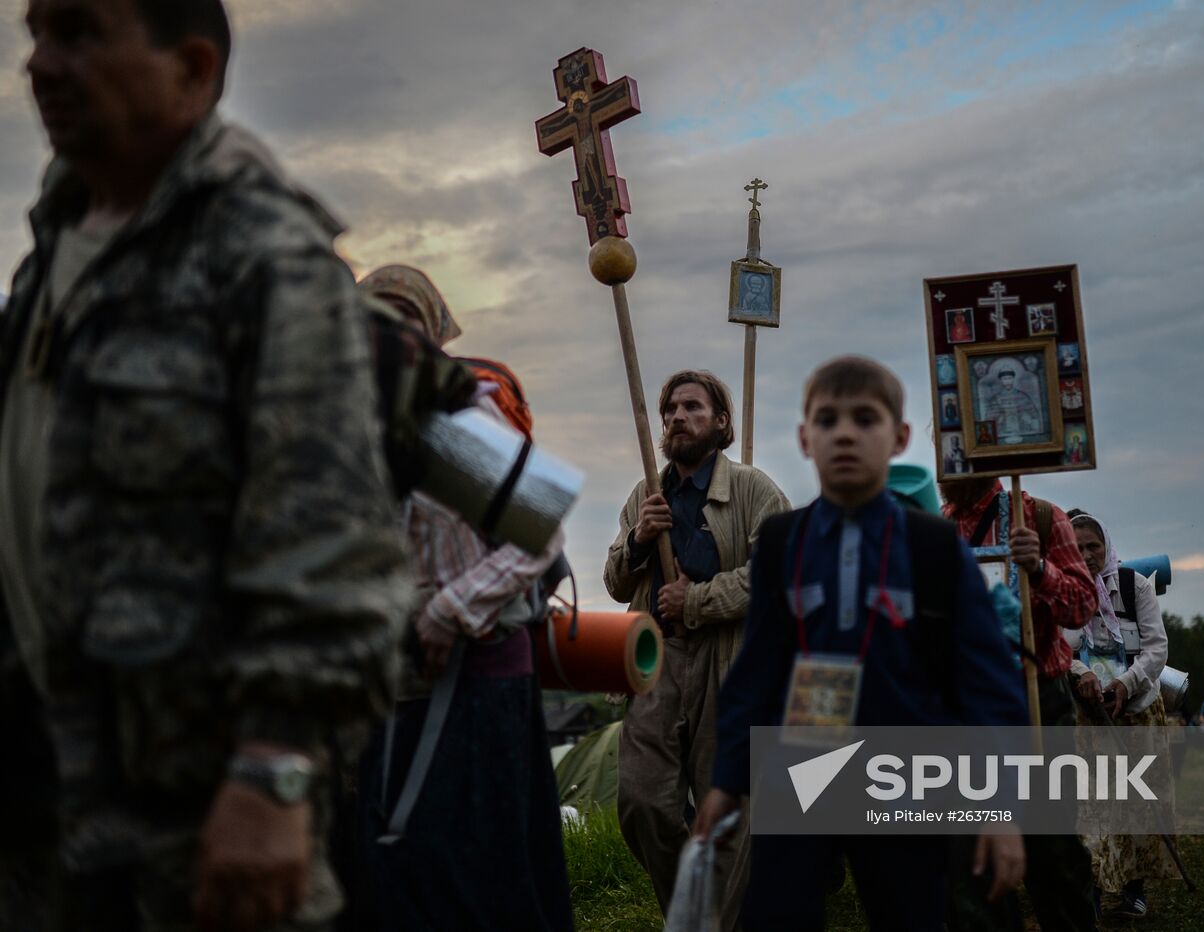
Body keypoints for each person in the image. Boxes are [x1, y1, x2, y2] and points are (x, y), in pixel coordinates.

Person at [0, 2, 411, 929]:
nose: (39, 64)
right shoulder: (53, 253)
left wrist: (274, 769)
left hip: (203, 818)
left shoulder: (262, 252)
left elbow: (335, 545)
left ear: (191, 71)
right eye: (33, 34)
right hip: (49, 795)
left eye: (77, 33)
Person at [694, 356, 1028, 930]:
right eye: (826, 420)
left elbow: (988, 680)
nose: (844, 433)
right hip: (803, 762)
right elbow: (758, 668)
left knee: (909, 913)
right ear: (804, 438)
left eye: (865, 419)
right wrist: (727, 780)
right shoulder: (781, 541)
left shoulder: (933, 546)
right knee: (776, 913)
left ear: (898, 437)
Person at [345, 267, 574, 931]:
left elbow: (541, 533)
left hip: (479, 684)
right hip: (393, 686)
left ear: (434, 330)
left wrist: (450, 609)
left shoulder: (459, 415)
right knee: (400, 872)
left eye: (403, 319)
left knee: (480, 875)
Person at [603, 370, 789, 930]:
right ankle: (694, 907)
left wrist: (699, 599)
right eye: (669, 411)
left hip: (727, 659)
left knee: (725, 809)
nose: (677, 419)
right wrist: (639, 539)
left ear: (721, 421)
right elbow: (614, 582)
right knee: (642, 802)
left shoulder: (755, 490)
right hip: (658, 658)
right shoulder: (645, 491)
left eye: (691, 407)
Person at [940, 475, 1098, 932]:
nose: (947, 470)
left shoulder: (1041, 517)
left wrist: (1041, 570)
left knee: (1052, 847)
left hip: (1038, 701)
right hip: (967, 708)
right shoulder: (939, 527)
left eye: (958, 457)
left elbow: (1084, 604)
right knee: (973, 851)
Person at [1064, 511, 1175, 920]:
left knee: (1135, 804)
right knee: (1090, 806)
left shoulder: (1134, 586)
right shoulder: (1062, 594)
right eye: (1076, 548)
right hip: (1088, 715)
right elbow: (1059, 647)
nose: (1087, 554)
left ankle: (1134, 888)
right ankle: (1091, 891)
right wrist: (1083, 674)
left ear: (1106, 546)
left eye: (1093, 546)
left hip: (1138, 712)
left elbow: (1156, 648)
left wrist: (1125, 683)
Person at [983, 368, 1041, 441]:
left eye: (1009, 378)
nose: (1007, 381)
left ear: (1013, 379)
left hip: (1022, 432)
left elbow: (1034, 415)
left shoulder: (1023, 396)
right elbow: (989, 419)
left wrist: (1029, 420)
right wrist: (999, 419)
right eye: (1004, 379)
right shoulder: (995, 399)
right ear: (1001, 380)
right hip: (1003, 433)